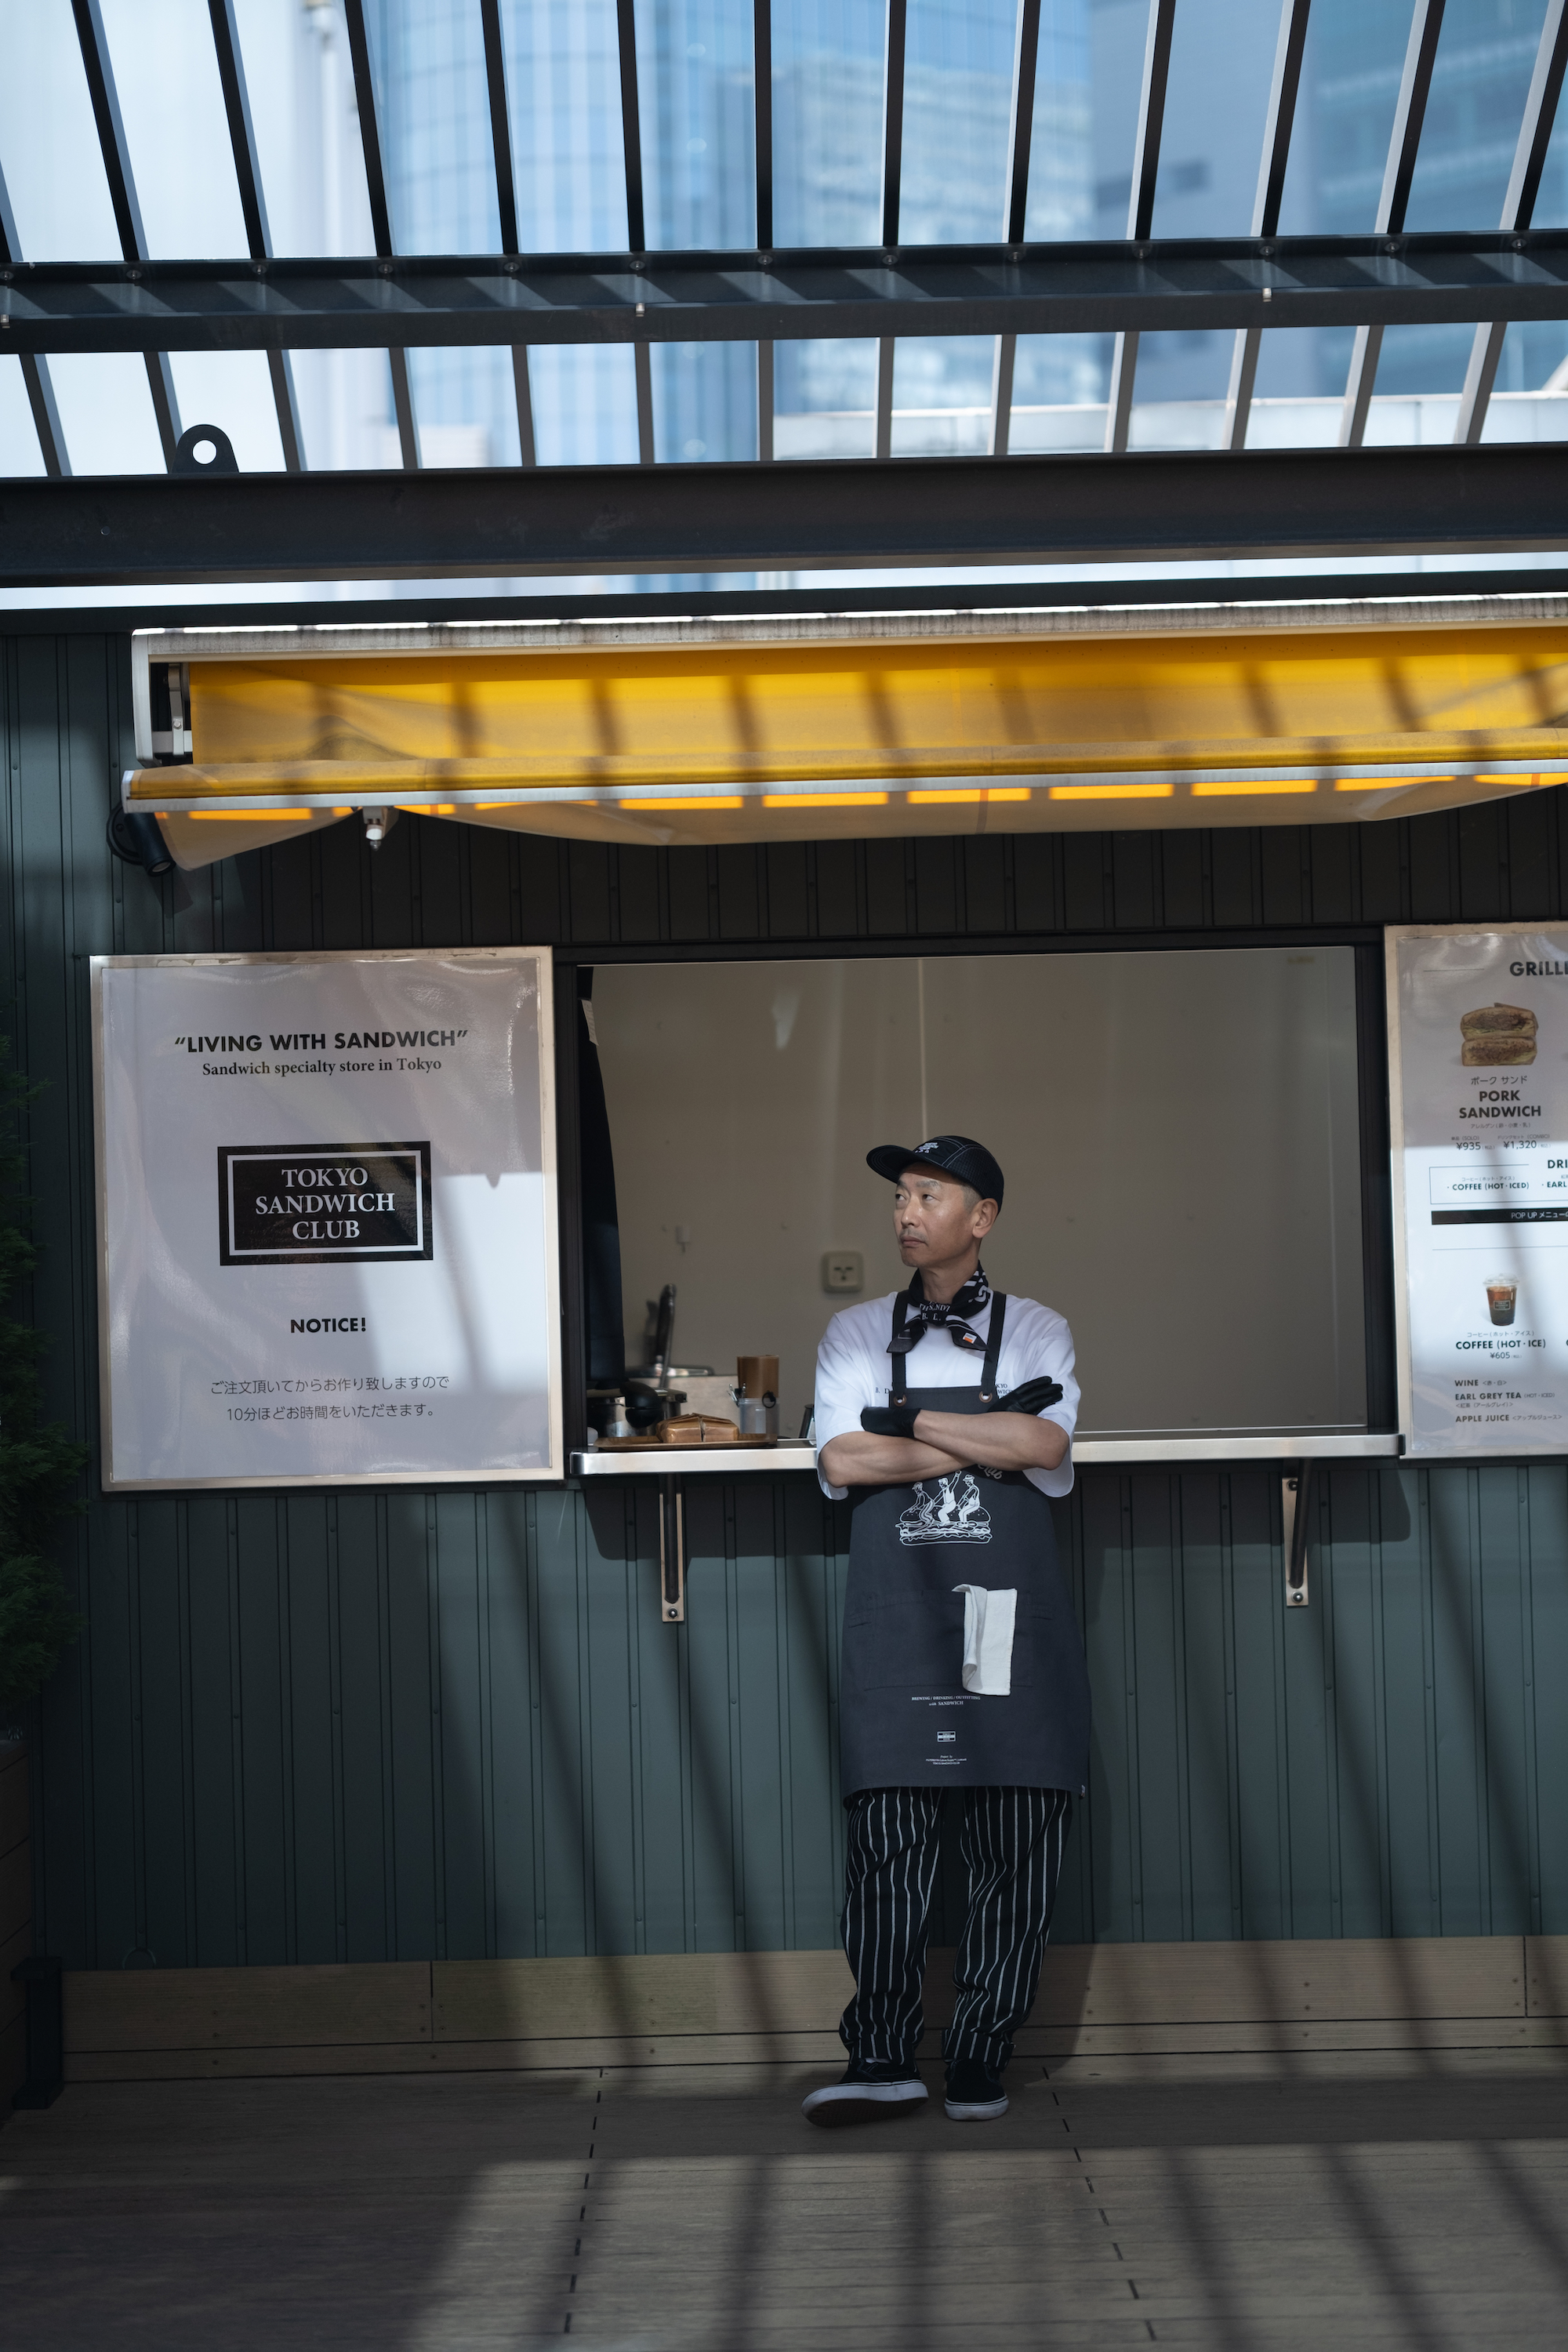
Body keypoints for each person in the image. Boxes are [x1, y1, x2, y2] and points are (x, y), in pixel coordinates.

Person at [802, 1134, 1089, 2129]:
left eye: (928, 1195)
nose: (905, 1212)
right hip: (901, 1622)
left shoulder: (1037, 1327)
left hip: (1005, 1619)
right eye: (899, 1197)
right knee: (888, 1846)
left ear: (983, 1217)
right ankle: (879, 2057)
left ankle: (978, 2058)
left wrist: (904, 1419)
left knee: (1015, 1843)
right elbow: (843, 1460)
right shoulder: (851, 1330)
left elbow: (1041, 1445)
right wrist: (978, 1429)